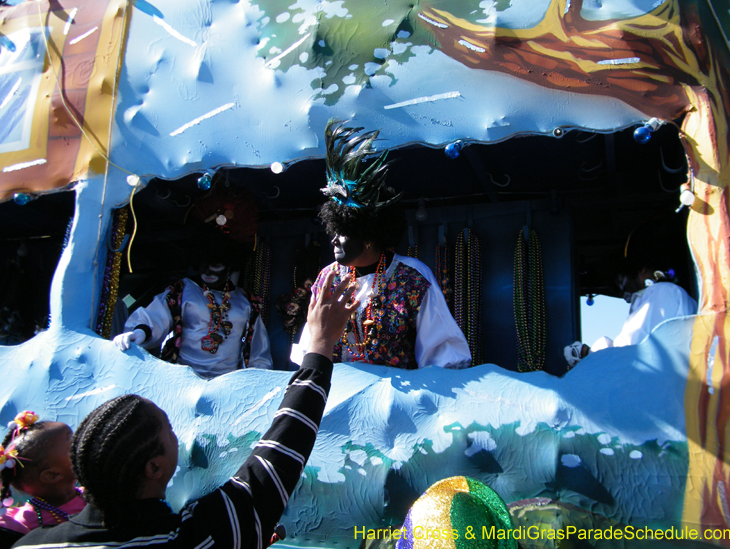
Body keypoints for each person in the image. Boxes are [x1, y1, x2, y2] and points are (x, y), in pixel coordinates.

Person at [14, 270, 357, 548]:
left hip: (230, 392)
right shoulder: (202, 536)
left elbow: (258, 352)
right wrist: (320, 346)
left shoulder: (28, 545)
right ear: (154, 467)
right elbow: (281, 454)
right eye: (168, 429)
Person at [291, 121, 470, 369]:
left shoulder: (413, 277)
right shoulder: (327, 278)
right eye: (334, 229)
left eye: (343, 232)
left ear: (368, 236)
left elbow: (444, 356)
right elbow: (308, 348)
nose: (333, 239)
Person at [113, 183, 273, 378]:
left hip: (229, 389)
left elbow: (258, 353)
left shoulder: (248, 303)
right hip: (183, 383)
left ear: (230, 264)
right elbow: (155, 318)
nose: (207, 271)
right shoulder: (181, 292)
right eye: (203, 263)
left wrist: (260, 383)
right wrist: (140, 333)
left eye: (216, 265)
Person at [565, 220, 697, 367]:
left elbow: (632, 354)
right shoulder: (666, 293)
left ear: (641, 268)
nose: (623, 294)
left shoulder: (660, 293)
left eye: (621, 282)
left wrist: (588, 353)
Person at [0, 412, 85, 549]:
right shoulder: (24, 526)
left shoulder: (94, 493)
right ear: (52, 475)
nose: (83, 444)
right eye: (73, 444)